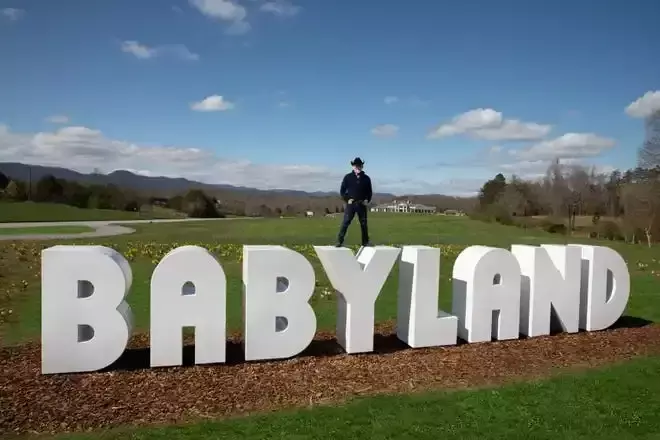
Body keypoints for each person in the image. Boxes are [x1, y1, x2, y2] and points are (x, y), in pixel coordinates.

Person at [335, 157, 372, 247]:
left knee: (363, 224)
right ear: (353, 166)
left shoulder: (366, 178)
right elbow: (342, 191)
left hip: (361, 204)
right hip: (351, 204)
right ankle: (339, 241)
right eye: (356, 165)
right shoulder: (347, 177)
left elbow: (369, 192)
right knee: (345, 222)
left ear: (362, 166)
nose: (357, 167)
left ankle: (365, 242)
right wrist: (347, 199)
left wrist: (367, 200)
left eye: (359, 165)